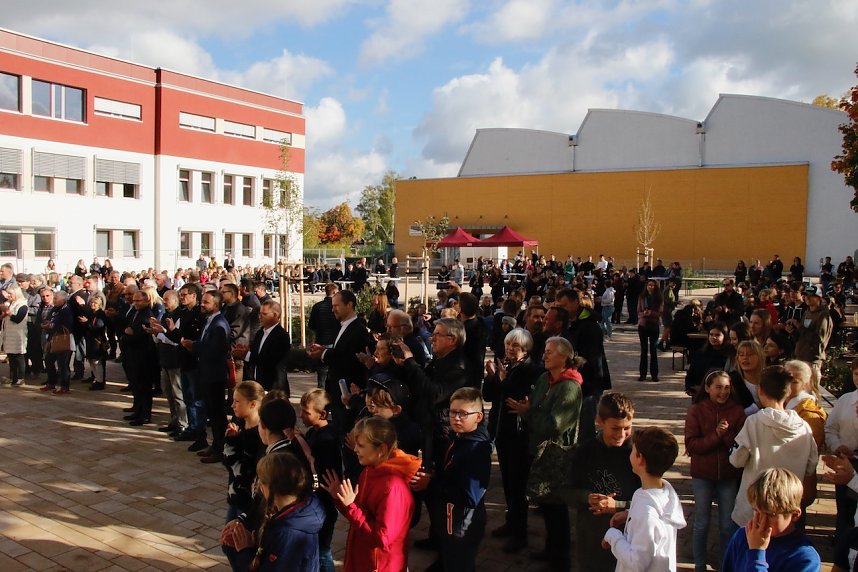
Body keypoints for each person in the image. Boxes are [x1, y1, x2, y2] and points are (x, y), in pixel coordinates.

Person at [506, 336, 583, 572]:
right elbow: (536, 404)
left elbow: (555, 424)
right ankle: (551, 549)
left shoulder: (569, 387)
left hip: (556, 453)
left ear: (564, 356)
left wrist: (528, 413)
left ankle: (561, 559)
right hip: (538, 448)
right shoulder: (544, 378)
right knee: (546, 505)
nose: (544, 355)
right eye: (545, 351)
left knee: (555, 506)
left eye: (550, 352)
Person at [320, 416, 421, 572]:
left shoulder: (393, 487)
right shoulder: (369, 471)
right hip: (363, 559)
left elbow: (382, 538)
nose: (355, 450)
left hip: (379, 565)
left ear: (381, 449)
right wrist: (340, 498)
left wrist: (351, 506)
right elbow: (359, 515)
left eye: (360, 445)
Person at [729, 366, 818, 527]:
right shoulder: (804, 427)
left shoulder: (754, 422)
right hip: (786, 509)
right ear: (789, 392)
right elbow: (811, 466)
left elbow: (736, 460)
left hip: (754, 509)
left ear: (760, 390)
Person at [483, 328, 544, 551]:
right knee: (508, 483)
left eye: (515, 346)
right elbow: (489, 396)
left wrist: (503, 380)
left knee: (518, 486)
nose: (510, 349)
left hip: (519, 435)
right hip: (502, 432)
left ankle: (520, 533)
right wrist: (492, 378)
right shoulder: (506, 367)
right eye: (508, 345)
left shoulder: (532, 370)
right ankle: (511, 523)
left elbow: (516, 398)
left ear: (525, 350)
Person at [565, 392, 640, 572]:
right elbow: (565, 491)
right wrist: (586, 497)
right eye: (615, 428)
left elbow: (653, 501)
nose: (621, 435)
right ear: (599, 421)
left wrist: (618, 505)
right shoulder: (585, 452)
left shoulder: (638, 454)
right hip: (591, 538)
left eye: (627, 428)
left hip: (629, 540)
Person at [420, 387, 492, 572]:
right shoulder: (459, 437)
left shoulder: (476, 450)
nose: (456, 418)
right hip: (451, 524)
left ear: (478, 417)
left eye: (463, 413)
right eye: (453, 412)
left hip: (463, 527)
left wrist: (432, 483)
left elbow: (470, 497)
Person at [602, 427, 687, 572]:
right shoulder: (664, 493)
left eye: (633, 451)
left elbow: (636, 563)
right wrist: (630, 513)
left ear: (640, 459)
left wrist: (612, 535)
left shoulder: (646, 514)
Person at [685, 370, 746, 570]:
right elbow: (693, 446)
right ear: (708, 388)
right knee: (701, 522)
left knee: (727, 525)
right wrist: (716, 436)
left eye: (727, 387)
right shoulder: (697, 410)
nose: (723, 392)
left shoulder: (737, 411)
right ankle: (699, 564)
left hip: (728, 475)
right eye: (718, 387)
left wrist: (725, 435)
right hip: (703, 474)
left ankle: (725, 564)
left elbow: (740, 446)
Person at [721, 468, 821, 571]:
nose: (761, 520)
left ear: (795, 515)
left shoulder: (804, 558)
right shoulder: (742, 536)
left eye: (770, 515)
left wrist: (757, 553)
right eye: (756, 511)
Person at [241, 452, 324, 572]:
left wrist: (244, 554)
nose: (259, 486)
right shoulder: (304, 510)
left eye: (261, 481)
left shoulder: (286, 532)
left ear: (269, 487)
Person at [307, 290, 375, 429]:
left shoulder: (358, 329)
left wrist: (324, 354)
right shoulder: (342, 326)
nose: (333, 310)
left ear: (349, 304)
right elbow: (340, 350)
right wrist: (324, 350)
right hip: (338, 392)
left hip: (348, 392)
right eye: (333, 306)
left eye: (336, 306)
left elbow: (350, 359)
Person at [182, 290, 231, 462]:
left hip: (214, 375)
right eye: (202, 301)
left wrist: (193, 345)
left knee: (218, 415)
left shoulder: (219, 324)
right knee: (212, 412)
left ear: (216, 305)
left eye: (206, 302)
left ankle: (221, 449)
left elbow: (214, 350)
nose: (202, 305)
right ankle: (216, 445)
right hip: (206, 373)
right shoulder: (209, 320)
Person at [300, 389, 342, 572]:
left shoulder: (327, 438)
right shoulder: (314, 433)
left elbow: (316, 467)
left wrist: (303, 447)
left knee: (323, 551)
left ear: (322, 414)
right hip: (316, 501)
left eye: (306, 412)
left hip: (325, 503)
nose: (301, 415)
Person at [823, 359, 858, 543]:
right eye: (856, 374)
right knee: (845, 506)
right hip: (847, 461)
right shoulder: (846, 400)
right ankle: (842, 542)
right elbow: (831, 428)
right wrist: (837, 446)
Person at [223, 381, 265, 518]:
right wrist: (230, 441)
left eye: (237, 402)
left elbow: (244, 473)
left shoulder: (261, 435)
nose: (232, 405)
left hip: (248, 503)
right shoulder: (239, 424)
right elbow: (228, 464)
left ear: (252, 404)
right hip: (235, 495)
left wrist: (231, 445)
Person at [236, 300, 291, 394]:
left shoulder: (281, 335)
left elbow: (271, 360)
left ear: (275, 315)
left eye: (264, 314)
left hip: (273, 386)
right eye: (259, 313)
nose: (260, 317)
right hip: (259, 383)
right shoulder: (260, 333)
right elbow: (256, 353)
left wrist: (247, 355)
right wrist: (245, 350)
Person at [0, 284, 28, 386]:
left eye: (10, 293)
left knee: (19, 357)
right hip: (9, 334)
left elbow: (18, 319)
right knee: (11, 358)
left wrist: (9, 313)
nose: (9, 295)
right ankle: (13, 377)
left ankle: (21, 378)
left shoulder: (23, 305)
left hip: (18, 335)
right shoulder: (10, 303)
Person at [637, 279, 663, 382]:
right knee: (643, 351)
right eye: (649, 285)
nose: (650, 287)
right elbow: (638, 311)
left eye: (652, 285)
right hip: (643, 325)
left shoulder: (659, 298)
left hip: (654, 325)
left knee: (653, 350)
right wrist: (644, 313)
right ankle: (642, 374)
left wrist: (651, 313)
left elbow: (660, 312)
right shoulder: (642, 297)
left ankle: (654, 374)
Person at [81, 296, 108, 391]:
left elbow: (99, 327)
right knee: (92, 361)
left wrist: (87, 322)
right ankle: (97, 379)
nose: (93, 304)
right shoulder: (92, 313)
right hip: (91, 340)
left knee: (97, 362)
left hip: (98, 341)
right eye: (91, 303)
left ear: (99, 305)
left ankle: (100, 381)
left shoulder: (100, 314)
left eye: (95, 303)